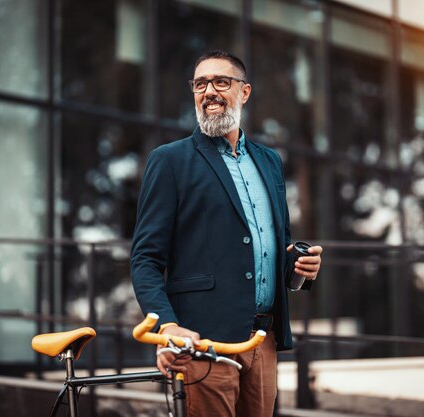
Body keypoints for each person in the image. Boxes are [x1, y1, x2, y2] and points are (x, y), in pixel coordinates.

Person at [130, 50, 323, 417]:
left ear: (245, 92)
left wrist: (297, 268)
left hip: (262, 341)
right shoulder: (170, 161)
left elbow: (271, 247)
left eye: (221, 82)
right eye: (200, 84)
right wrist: (168, 325)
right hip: (203, 340)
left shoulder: (269, 161)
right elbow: (145, 258)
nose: (210, 91)